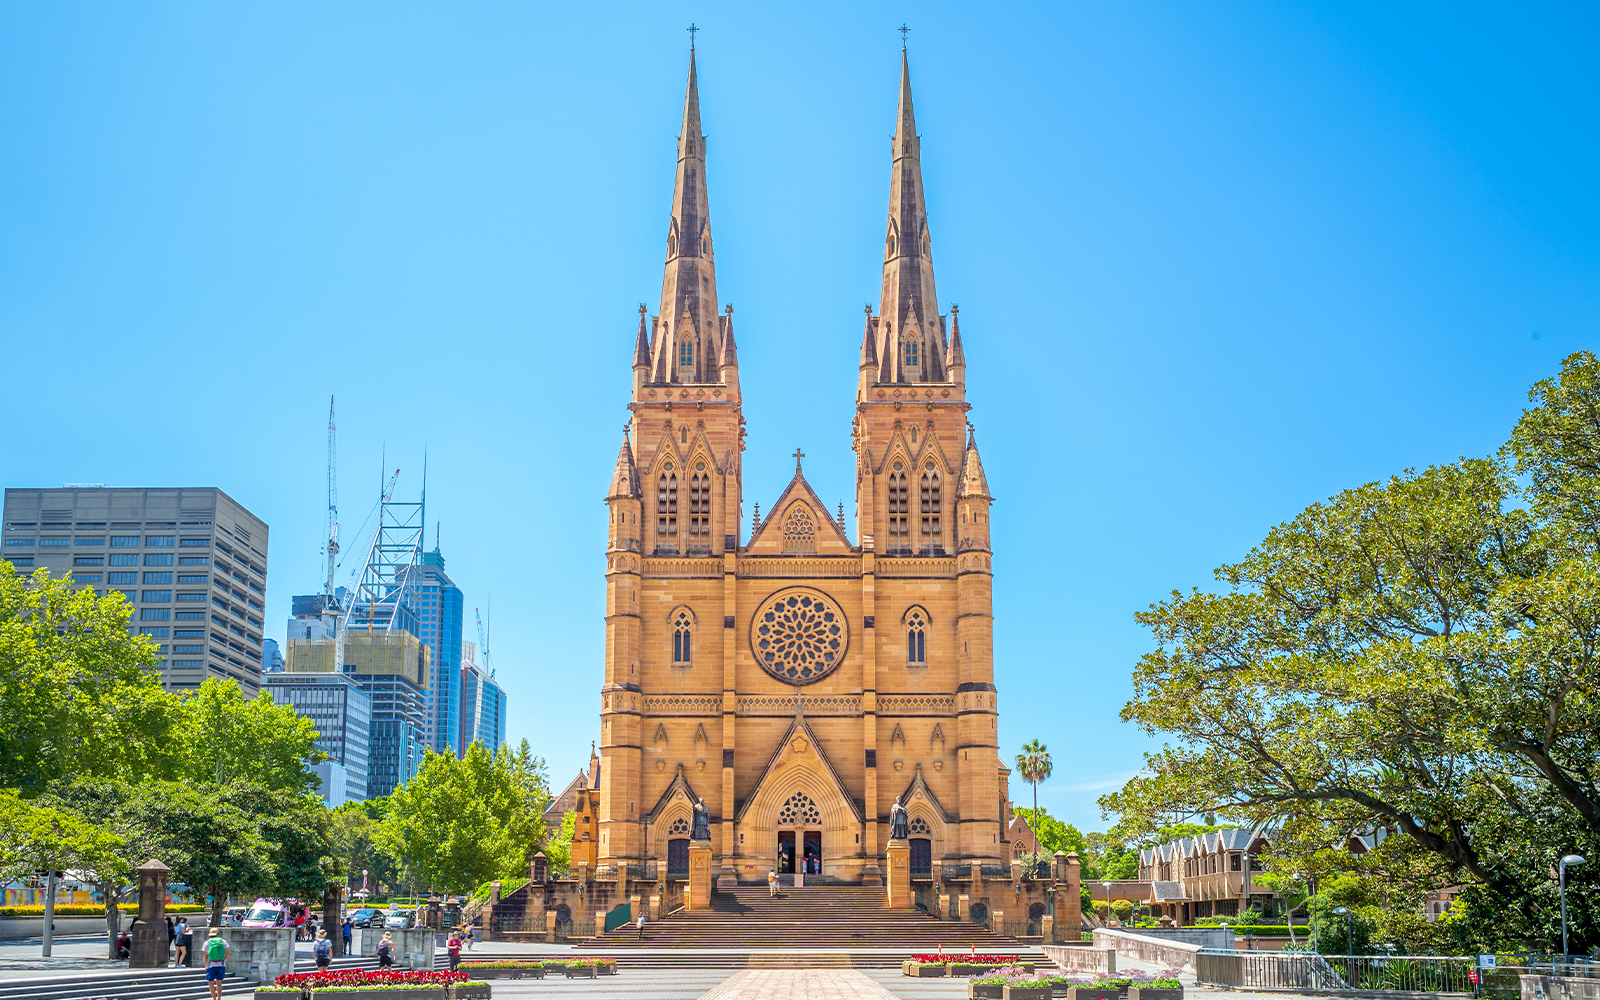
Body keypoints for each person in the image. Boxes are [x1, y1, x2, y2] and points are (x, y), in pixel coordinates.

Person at [203, 928, 229, 1000]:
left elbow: (205, 956)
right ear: (218, 933)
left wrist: (205, 966)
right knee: (219, 982)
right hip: (221, 965)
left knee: (211, 983)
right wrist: (223, 960)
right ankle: (219, 998)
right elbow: (227, 954)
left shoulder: (207, 943)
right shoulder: (223, 942)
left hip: (211, 965)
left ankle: (214, 998)